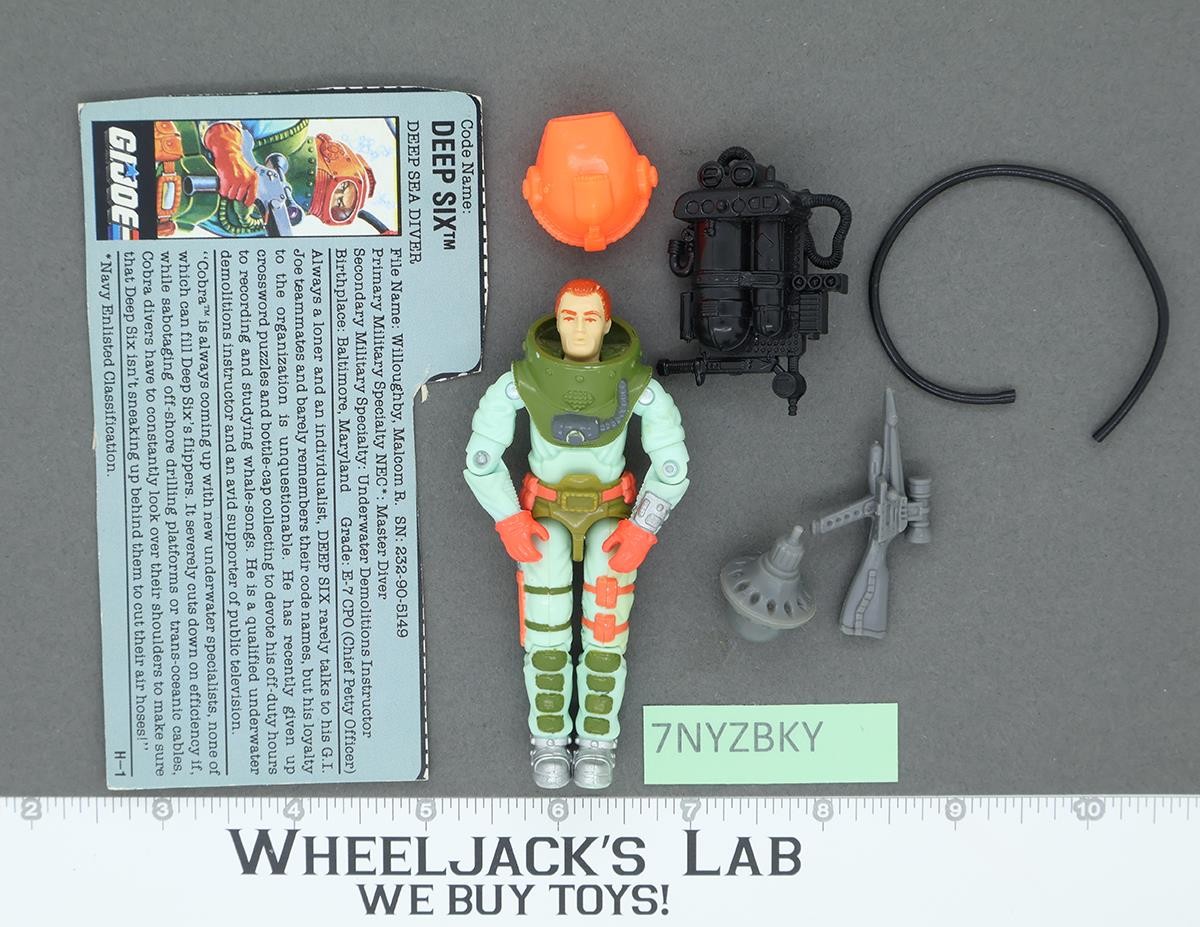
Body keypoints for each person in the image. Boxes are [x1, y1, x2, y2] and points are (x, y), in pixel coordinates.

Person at [464, 279, 690, 789]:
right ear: (556, 320)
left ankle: (597, 741)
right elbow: (481, 459)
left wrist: (642, 527)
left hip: (612, 519)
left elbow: (671, 466)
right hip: (543, 519)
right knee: (545, 633)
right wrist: (508, 518)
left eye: (590, 318)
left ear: (607, 325)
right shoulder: (521, 382)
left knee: (606, 633)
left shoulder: (637, 386)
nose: (580, 328)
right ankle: (547, 738)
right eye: (570, 317)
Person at [152, 118, 376, 236]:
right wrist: (227, 149)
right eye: (344, 190)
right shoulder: (288, 127)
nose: (337, 198)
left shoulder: (265, 225)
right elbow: (220, 99)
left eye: (340, 207)